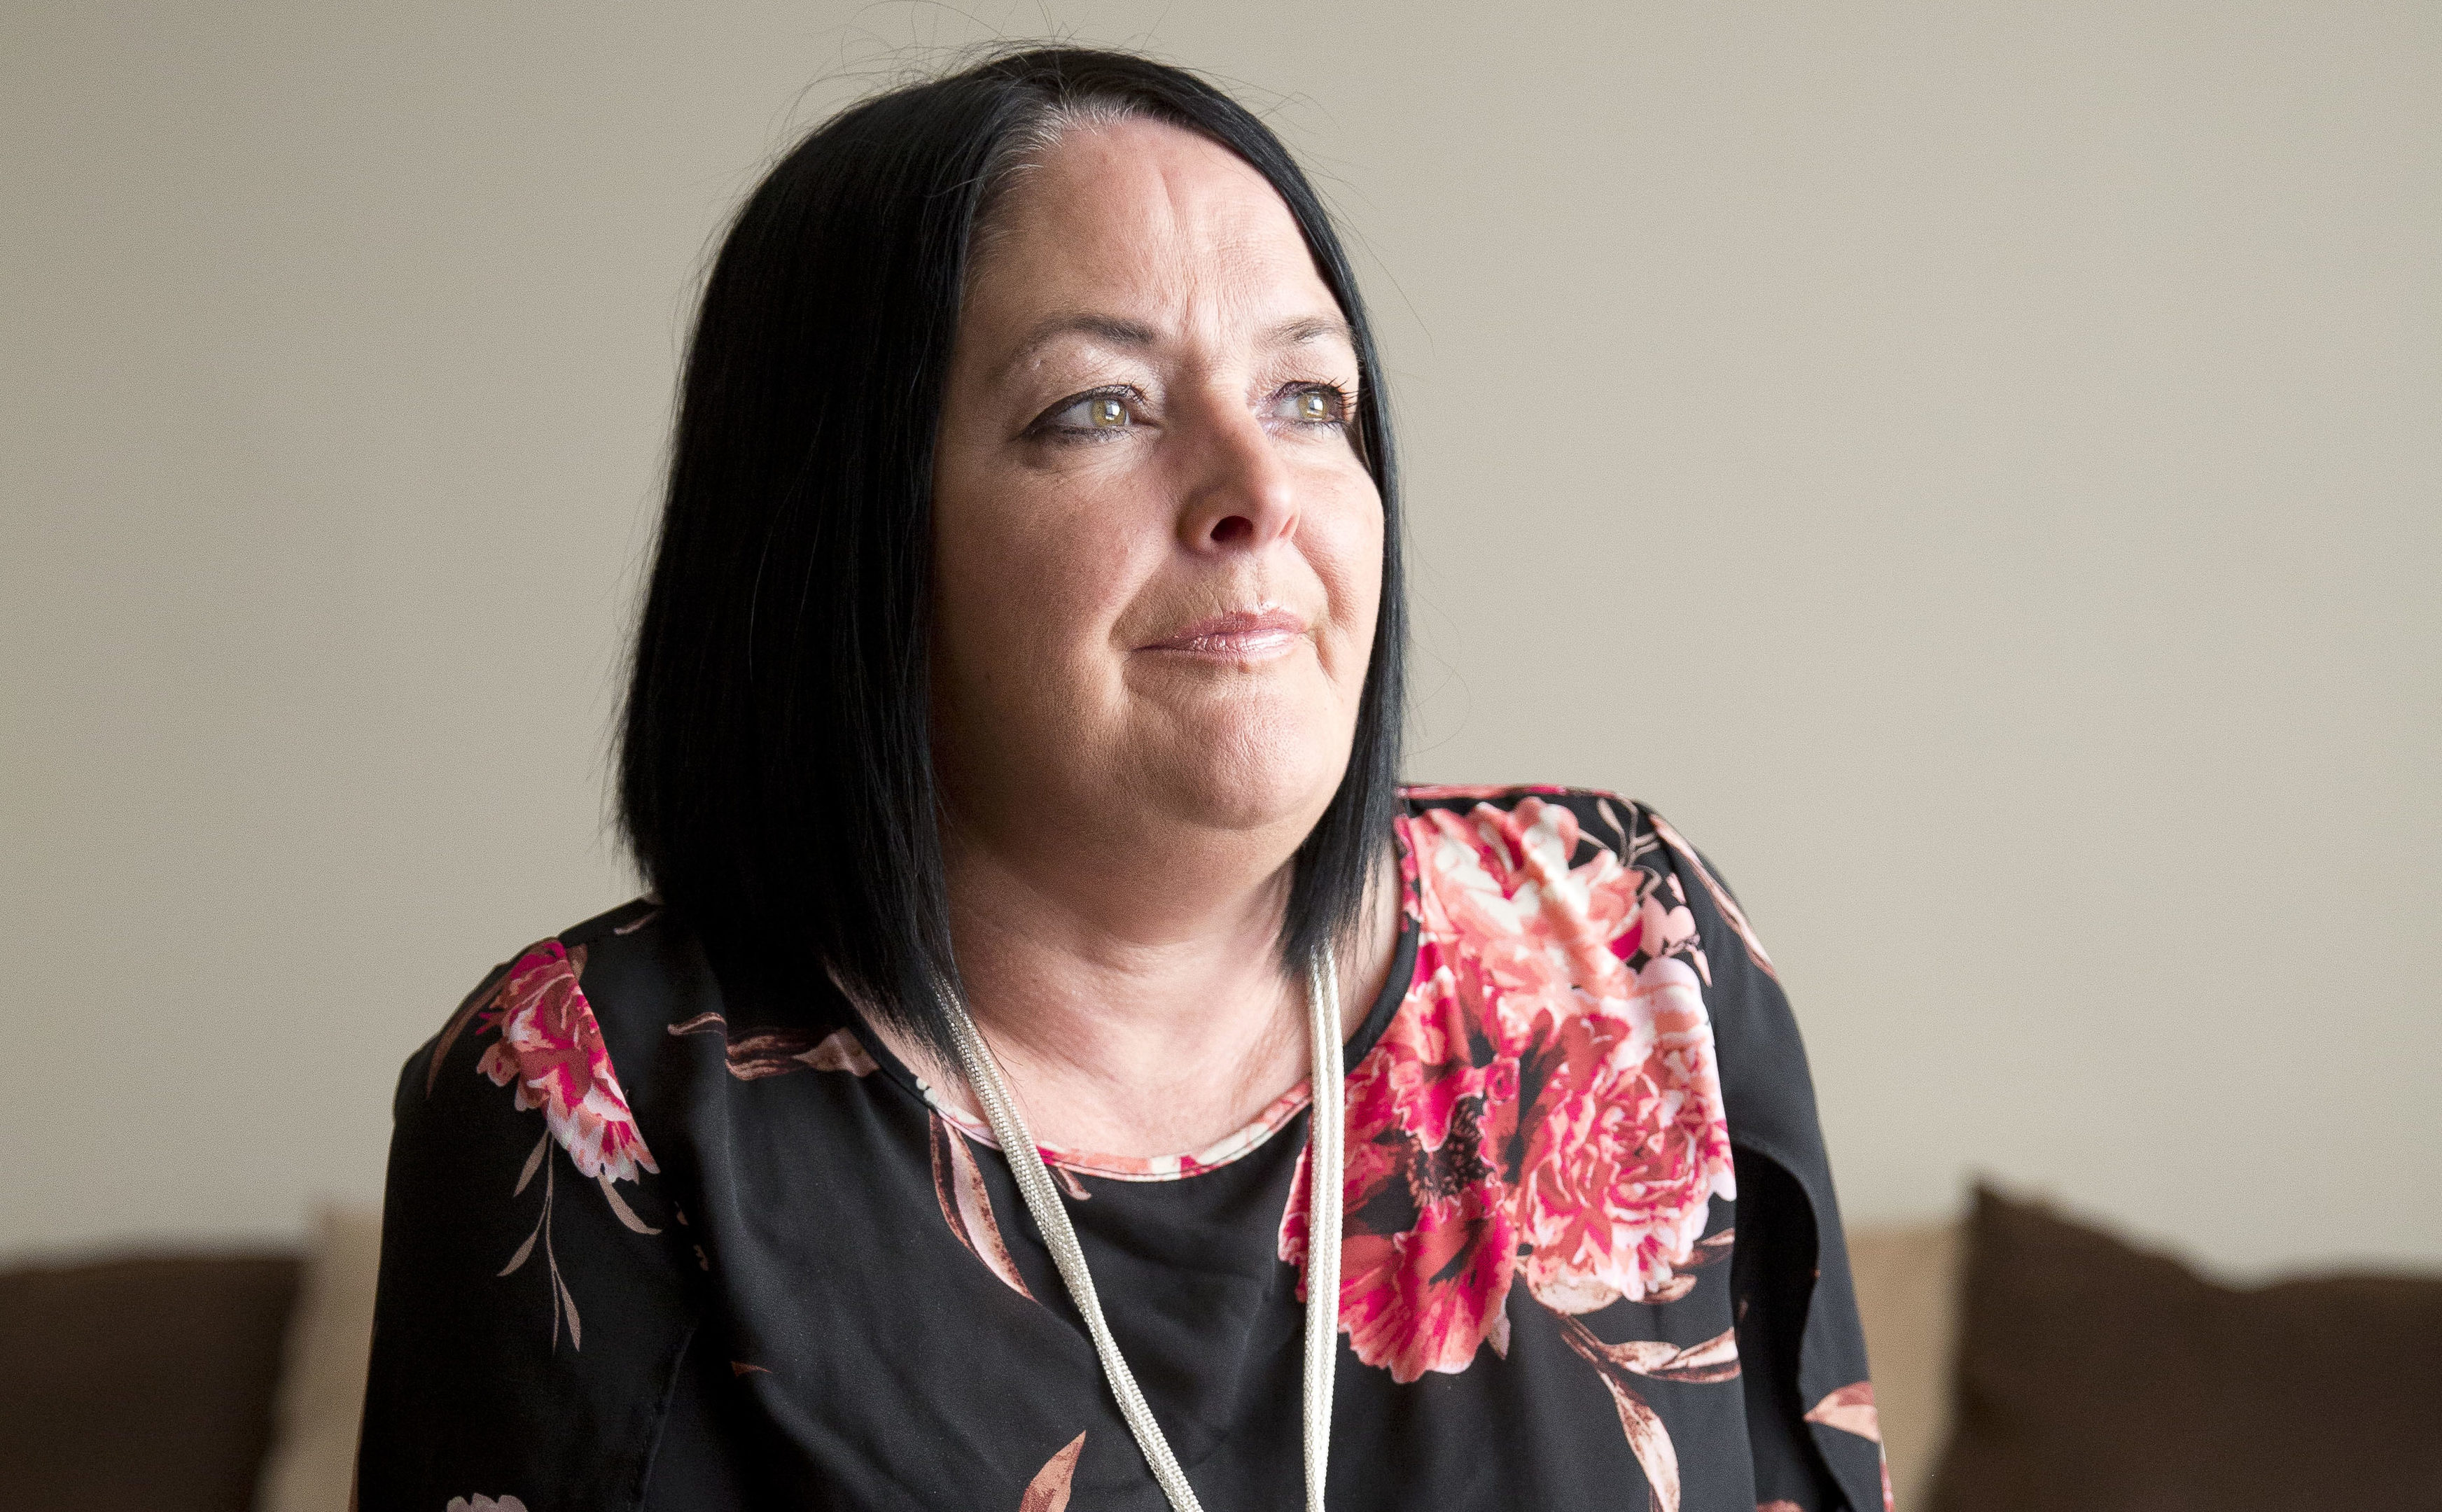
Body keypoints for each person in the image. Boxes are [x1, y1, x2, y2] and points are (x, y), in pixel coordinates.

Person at [358, 47, 1888, 1512]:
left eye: (1310, 399)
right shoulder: (595, 1100)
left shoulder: (1621, 939)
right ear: (846, 538)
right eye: (1097, 409)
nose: (1258, 492)